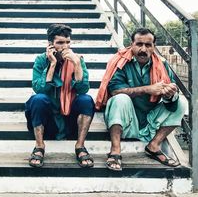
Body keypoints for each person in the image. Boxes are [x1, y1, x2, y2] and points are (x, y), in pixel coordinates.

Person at [95, 27, 185, 171]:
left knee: (180, 102)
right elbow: (114, 90)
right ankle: (115, 150)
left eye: (148, 45)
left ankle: (153, 146)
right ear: (132, 44)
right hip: (126, 120)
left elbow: (172, 102)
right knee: (120, 99)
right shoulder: (121, 62)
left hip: (149, 121)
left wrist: (169, 95)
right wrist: (147, 89)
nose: (143, 49)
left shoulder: (162, 65)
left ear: (153, 47)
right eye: (139, 44)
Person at [25, 23, 95, 168]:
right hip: (49, 120)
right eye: (60, 43)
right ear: (50, 44)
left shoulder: (77, 59)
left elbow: (83, 89)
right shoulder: (41, 60)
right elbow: (39, 89)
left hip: (70, 119)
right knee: (38, 99)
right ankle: (39, 147)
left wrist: (76, 64)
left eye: (68, 42)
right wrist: (52, 65)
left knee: (86, 100)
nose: (65, 47)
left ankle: (80, 146)